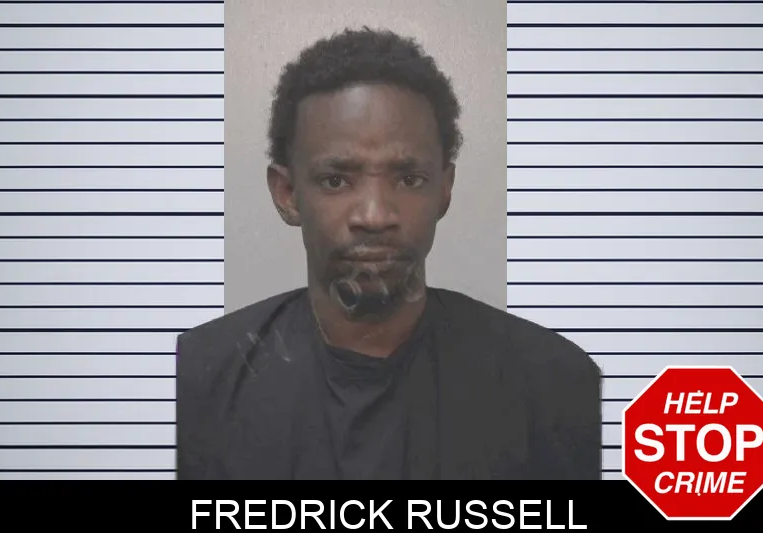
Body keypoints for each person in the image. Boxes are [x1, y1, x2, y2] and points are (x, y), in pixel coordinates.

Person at [176, 27, 602, 480]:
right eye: (336, 180)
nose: (375, 215)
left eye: (408, 178)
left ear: (444, 188)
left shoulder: (554, 385)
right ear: (287, 193)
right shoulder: (195, 380)